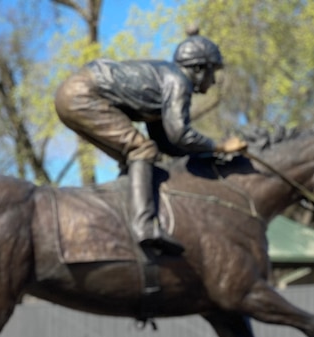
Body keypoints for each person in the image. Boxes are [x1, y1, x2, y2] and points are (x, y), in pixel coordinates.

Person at [54, 28, 247, 256]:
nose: (213, 80)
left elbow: (166, 143)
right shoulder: (178, 82)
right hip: (83, 95)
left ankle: (123, 214)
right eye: (212, 71)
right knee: (141, 150)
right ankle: (144, 226)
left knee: (137, 153)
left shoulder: (164, 80)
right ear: (197, 68)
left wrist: (207, 155)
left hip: (72, 94)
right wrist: (220, 145)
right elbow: (180, 134)